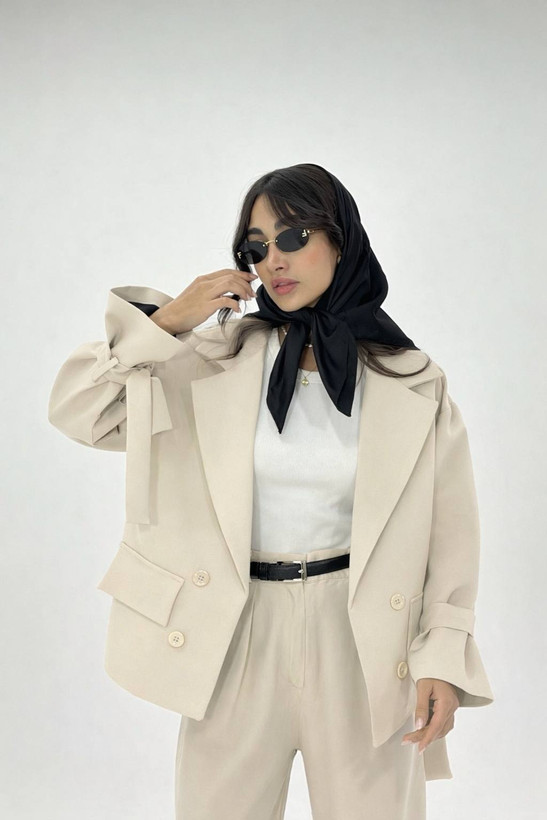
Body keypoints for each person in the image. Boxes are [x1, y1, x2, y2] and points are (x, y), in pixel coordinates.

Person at [48, 163, 494, 819]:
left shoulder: (411, 379)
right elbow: (78, 410)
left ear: (340, 240)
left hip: (362, 635)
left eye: (293, 237)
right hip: (233, 629)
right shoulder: (207, 360)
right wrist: (168, 321)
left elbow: (450, 534)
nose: (273, 260)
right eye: (256, 246)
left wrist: (443, 657)